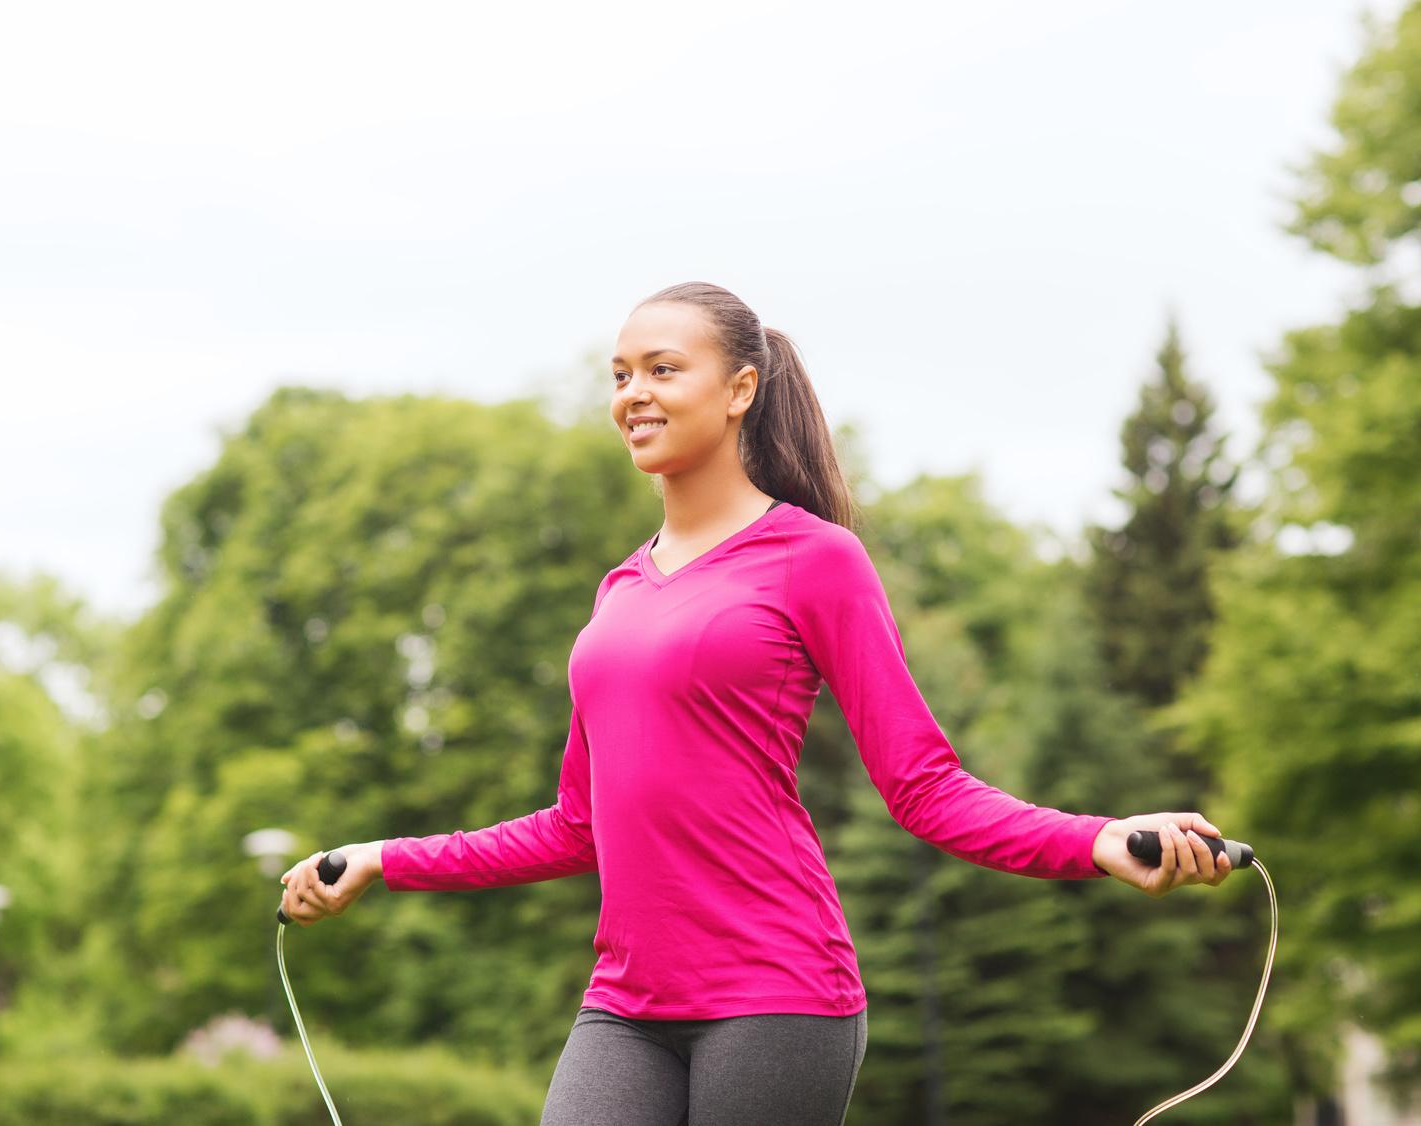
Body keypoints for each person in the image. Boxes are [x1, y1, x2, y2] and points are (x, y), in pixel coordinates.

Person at [279, 281, 1234, 1126]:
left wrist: (1096, 839)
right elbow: (578, 827)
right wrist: (382, 859)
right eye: (619, 375)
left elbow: (924, 787)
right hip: (626, 1004)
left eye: (662, 368)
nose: (633, 395)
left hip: (776, 995)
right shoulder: (618, 591)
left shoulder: (814, 559)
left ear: (740, 390)